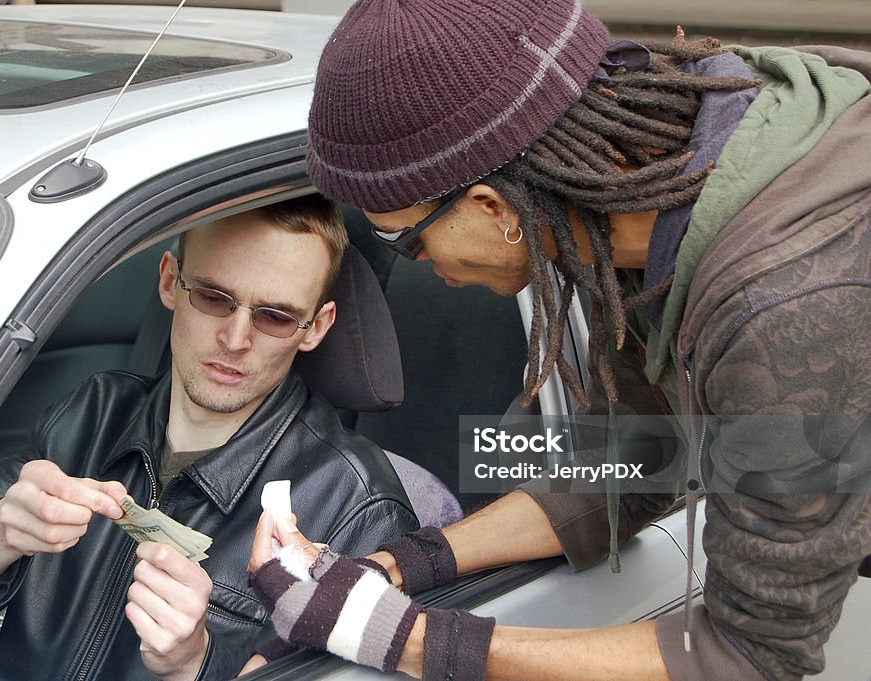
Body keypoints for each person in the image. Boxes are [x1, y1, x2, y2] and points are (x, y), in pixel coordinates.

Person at [245, 1, 871, 680]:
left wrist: (402, 638)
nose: (419, 270)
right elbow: (633, 456)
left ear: (493, 207)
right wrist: (399, 563)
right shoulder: (648, 182)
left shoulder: (781, 308)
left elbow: (747, 654)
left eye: (405, 241)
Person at [0, 195, 419, 681]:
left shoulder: (357, 505)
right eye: (213, 297)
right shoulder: (93, 413)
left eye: (275, 317)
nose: (234, 340)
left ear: (317, 327)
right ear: (169, 281)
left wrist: (197, 664)